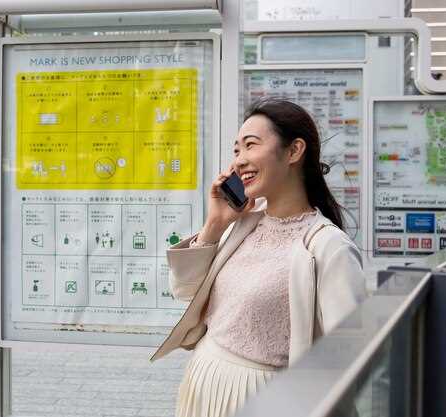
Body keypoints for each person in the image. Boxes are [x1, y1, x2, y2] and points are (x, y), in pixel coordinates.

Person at [150, 98, 367, 417]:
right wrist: (215, 223)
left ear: (294, 151)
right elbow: (184, 290)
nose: (239, 161)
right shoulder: (244, 223)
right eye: (236, 150)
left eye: (251, 145)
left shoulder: (328, 247)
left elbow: (348, 360)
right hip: (203, 383)